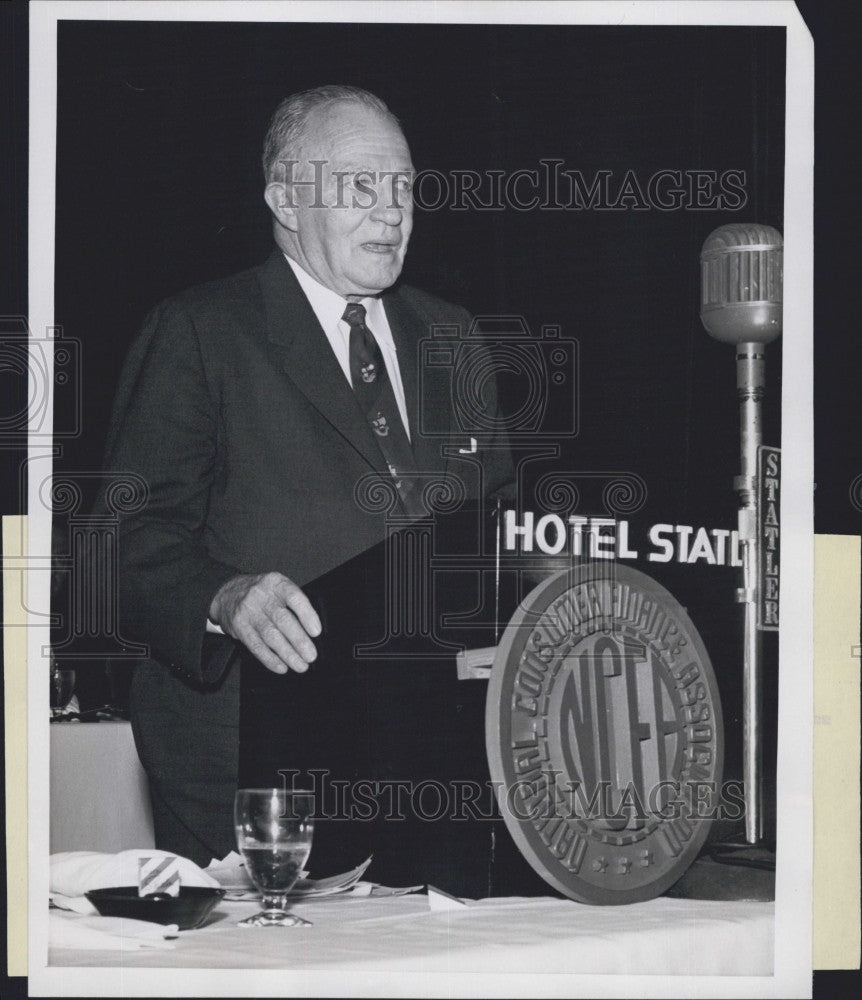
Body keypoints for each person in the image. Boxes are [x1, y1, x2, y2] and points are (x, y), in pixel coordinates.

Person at [102, 86, 513, 869]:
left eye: (405, 186)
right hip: (250, 772)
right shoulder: (200, 330)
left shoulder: (454, 335)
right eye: (362, 185)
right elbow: (122, 542)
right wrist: (223, 596)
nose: (393, 211)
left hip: (431, 773)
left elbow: (493, 537)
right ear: (286, 201)